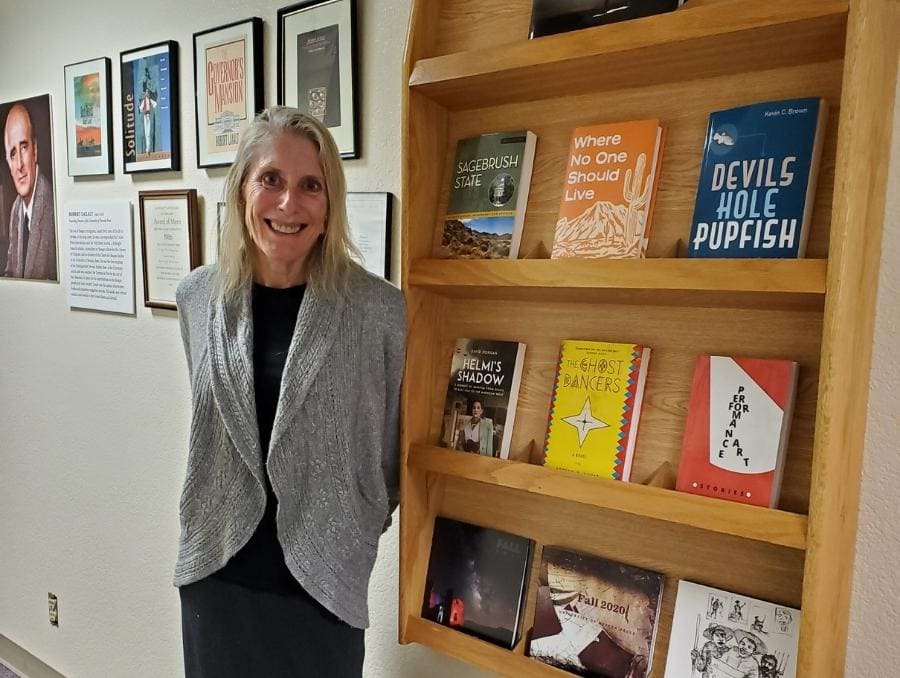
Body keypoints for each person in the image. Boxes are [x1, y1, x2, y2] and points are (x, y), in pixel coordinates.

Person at [173, 106, 406, 677]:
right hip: (218, 578)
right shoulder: (197, 297)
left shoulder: (379, 311)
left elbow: (388, 451)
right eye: (270, 180)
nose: (287, 204)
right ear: (241, 190)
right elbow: (218, 429)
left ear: (330, 206)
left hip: (323, 589)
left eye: (310, 186)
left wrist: (351, 527)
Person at [3, 103, 56, 279]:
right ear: (8, 163)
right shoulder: (16, 209)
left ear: (35, 151)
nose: (19, 165)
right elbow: (11, 272)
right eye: (12, 153)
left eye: (24, 147)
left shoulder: (52, 205)